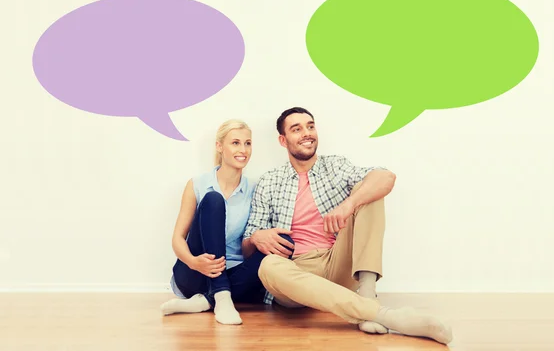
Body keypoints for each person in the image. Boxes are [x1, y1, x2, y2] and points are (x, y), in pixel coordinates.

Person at [241, 107, 453, 344]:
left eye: (310, 126)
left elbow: (386, 177)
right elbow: (247, 246)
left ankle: (367, 294)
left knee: (368, 192)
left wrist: (348, 205)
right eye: (297, 129)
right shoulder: (269, 181)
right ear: (283, 140)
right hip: (299, 273)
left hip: (338, 260)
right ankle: (381, 314)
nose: (306, 133)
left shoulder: (335, 166)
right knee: (268, 266)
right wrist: (257, 237)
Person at [160, 119, 294, 325]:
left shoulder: (256, 189)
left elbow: (250, 247)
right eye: (236, 143)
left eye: (248, 143)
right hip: (195, 272)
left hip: (235, 275)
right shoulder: (198, 184)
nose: (243, 150)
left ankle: (208, 300)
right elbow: (177, 238)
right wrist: (194, 262)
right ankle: (221, 296)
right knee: (214, 200)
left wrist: (261, 238)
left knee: (283, 243)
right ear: (219, 146)